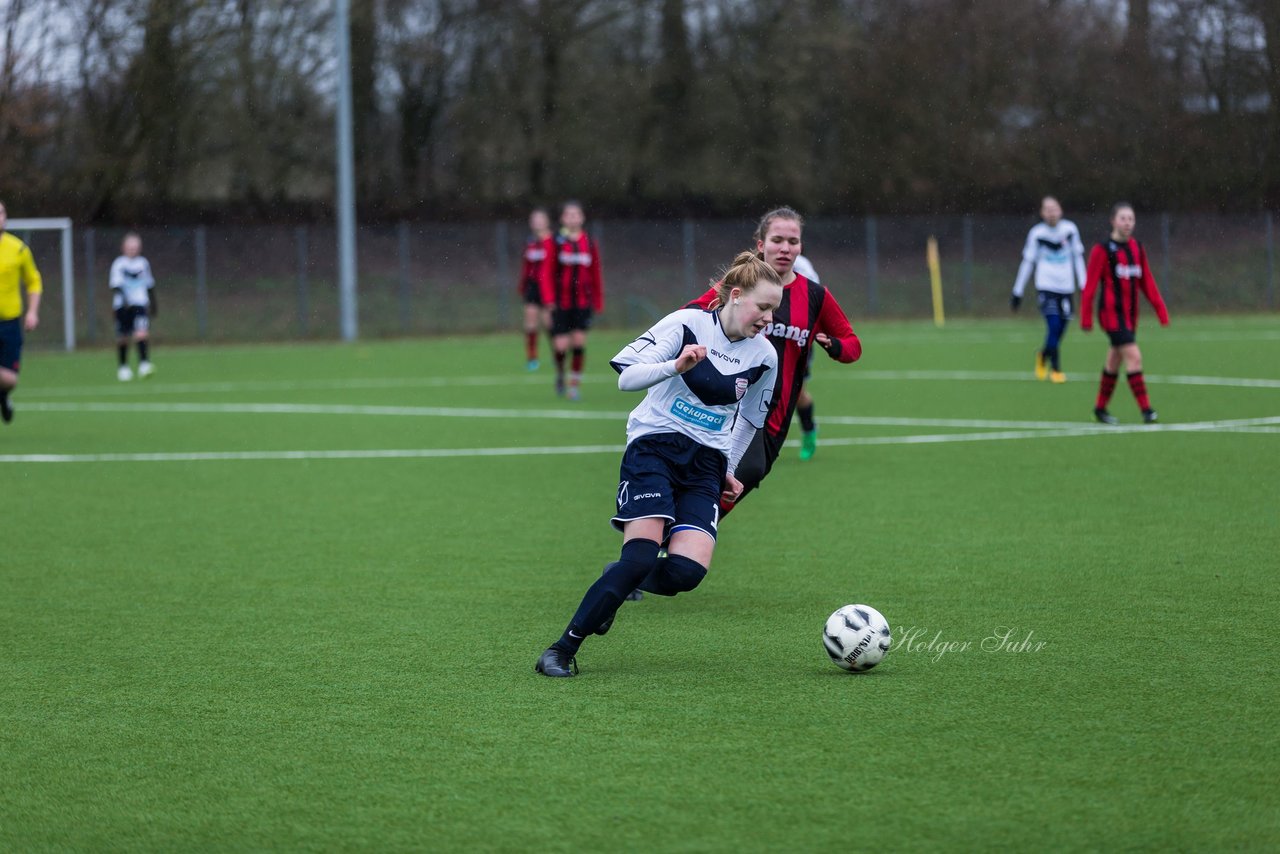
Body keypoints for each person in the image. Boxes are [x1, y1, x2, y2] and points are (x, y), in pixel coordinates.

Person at [534, 251, 782, 677]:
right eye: (763, 307)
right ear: (737, 296)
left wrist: (729, 467)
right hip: (655, 447)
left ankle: (615, 586)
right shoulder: (685, 324)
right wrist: (675, 365)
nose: (768, 318)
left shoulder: (765, 357)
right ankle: (560, 650)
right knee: (640, 557)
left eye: (774, 309)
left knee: (685, 573)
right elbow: (625, 376)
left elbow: (749, 424)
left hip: (706, 463)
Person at [687, 208, 861, 514]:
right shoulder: (738, 285)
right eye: (777, 239)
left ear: (800, 247)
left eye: (792, 241)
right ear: (760, 245)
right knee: (734, 471)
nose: (785, 248)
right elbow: (690, 313)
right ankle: (680, 538)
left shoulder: (815, 295)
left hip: (774, 414)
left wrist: (833, 346)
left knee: (743, 476)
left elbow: (853, 345)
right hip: (727, 401)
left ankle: (680, 535)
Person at [1081, 203, 1169, 425]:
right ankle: (1147, 410)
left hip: (1130, 317)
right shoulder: (1102, 250)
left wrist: (1160, 309)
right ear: (1113, 221)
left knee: (1114, 360)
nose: (1127, 223)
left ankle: (1100, 409)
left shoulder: (1137, 248)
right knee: (1134, 357)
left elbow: (1146, 281)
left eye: (1131, 219)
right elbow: (1090, 286)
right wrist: (1086, 317)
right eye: (1123, 218)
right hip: (1110, 316)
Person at [1010, 196, 1087, 383]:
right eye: (1047, 209)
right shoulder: (1036, 233)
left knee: (1062, 327)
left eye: (1054, 208)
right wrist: (1017, 291)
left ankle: (1043, 354)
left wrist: (1084, 286)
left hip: (1066, 288)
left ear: (1060, 210)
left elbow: (1078, 259)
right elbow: (1028, 262)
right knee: (1053, 326)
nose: (1051, 212)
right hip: (1046, 287)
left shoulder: (1070, 229)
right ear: (1042, 213)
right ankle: (1056, 368)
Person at [550, 201, 604, 400]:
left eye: (576, 214)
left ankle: (574, 386)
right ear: (563, 218)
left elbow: (596, 274)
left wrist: (598, 300)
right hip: (561, 302)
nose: (573, 218)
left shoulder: (589, 243)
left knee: (579, 343)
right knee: (561, 347)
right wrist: (549, 299)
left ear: (582, 218)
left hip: (582, 302)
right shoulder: (557, 242)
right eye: (568, 215)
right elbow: (548, 272)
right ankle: (560, 374)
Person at [0, 201, 43, 425]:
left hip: (9, 324)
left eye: (1, 213)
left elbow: (33, 281)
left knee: (10, 379)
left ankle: (3, 397)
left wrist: (32, 312)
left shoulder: (18, 249)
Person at [109, 232, 158, 381]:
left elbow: (150, 285)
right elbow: (115, 285)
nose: (132, 249)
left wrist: (154, 304)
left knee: (141, 333)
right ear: (123, 247)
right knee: (123, 337)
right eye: (130, 247)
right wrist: (125, 301)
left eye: (135, 247)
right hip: (122, 306)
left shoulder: (143, 263)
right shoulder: (119, 263)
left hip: (140, 304)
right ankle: (123, 367)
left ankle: (144, 364)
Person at [790, 254, 821, 460]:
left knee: (797, 393)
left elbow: (814, 299)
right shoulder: (757, 264)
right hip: (766, 339)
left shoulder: (801, 265)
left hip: (797, 338)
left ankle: (809, 431)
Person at [518, 208, 555, 371]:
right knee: (530, 322)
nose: (537, 223)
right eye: (534, 220)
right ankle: (532, 358)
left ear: (547, 222)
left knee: (549, 322)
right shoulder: (531, 242)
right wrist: (523, 285)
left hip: (548, 288)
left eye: (540, 219)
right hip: (532, 287)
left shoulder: (554, 242)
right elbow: (526, 267)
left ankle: (557, 354)